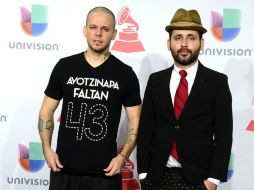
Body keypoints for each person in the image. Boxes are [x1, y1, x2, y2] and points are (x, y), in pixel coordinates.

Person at [38, 6, 141, 190]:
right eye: (93, 27)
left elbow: (136, 119)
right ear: (85, 30)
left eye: (105, 29)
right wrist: (46, 149)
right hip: (63, 171)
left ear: (114, 33)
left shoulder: (125, 74)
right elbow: (46, 111)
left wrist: (122, 157)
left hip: (106, 174)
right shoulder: (65, 67)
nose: (98, 34)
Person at [137, 8, 233, 190]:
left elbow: (224, 136)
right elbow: (145, 130)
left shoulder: (217, 82)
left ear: (201, 43)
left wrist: (212, 181)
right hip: (157, 178)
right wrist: (143, 174)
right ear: (169, 43)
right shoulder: (156, 80)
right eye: (178, 37)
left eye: (191, 37)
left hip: (199, 179)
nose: (184, 44)